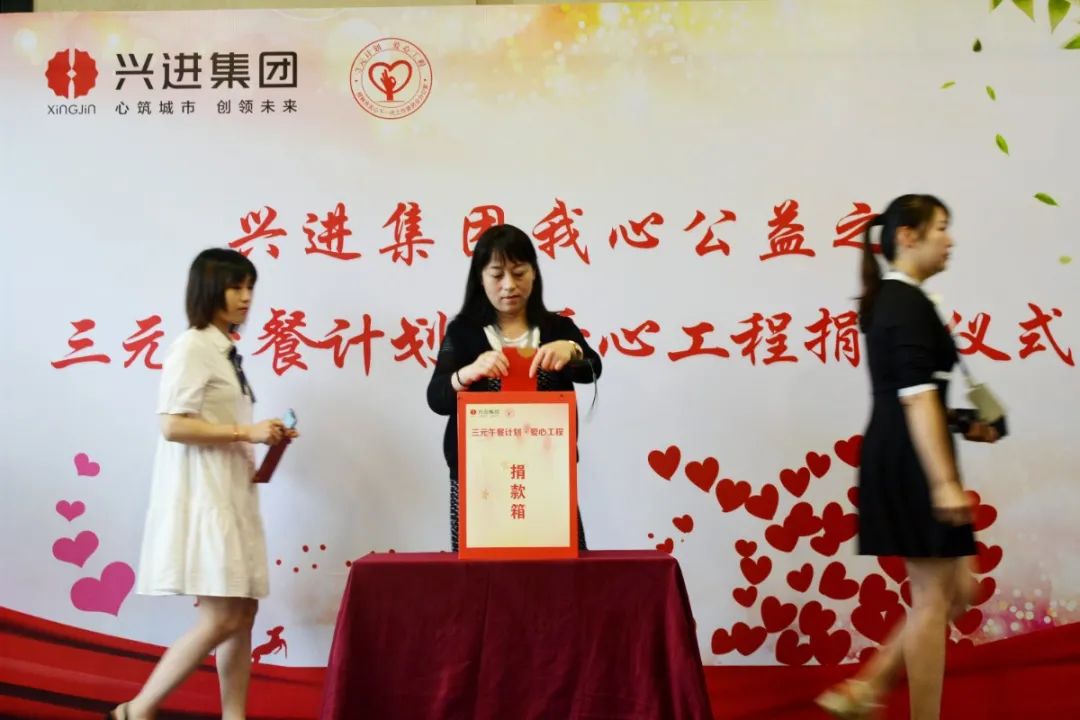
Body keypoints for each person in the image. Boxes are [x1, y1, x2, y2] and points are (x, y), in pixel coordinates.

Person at [815, 195, 999, 720]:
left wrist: (962, 421)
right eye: (941, 228)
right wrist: (943, 482)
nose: (950, 240)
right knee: (934, 597)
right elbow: (915, 398)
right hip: (913, 458)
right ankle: (878, 694)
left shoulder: (902, 300)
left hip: (910, 449)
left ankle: (867, 690)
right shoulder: (904, 303)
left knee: (958, 590)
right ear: (907, 236)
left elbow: (918, 393)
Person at [110, 248, 298, 720]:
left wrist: (265, 435)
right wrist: (246, 432)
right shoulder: (193, 347)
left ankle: (234, 715)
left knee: (243, 615)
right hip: (205, 500)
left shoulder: (224, 351)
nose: (246, 297)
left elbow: (216, 422)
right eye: (236, 287)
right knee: (222, 617)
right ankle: (137, 710)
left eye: (250, 287)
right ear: (209, 290)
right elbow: (173, 425)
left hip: (230, 494)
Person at [426, 224, 602, 551]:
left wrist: (572, 350)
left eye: (519, 273)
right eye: (497, 275)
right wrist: (467, 373)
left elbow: (593, 369)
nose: (509, 285)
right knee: (481, 574)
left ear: (534, 273)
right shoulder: (463, 332)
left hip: (548, 472)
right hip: (479, 477)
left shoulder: (557, 328)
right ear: (480, 278)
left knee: (558, 569)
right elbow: (437, 398)